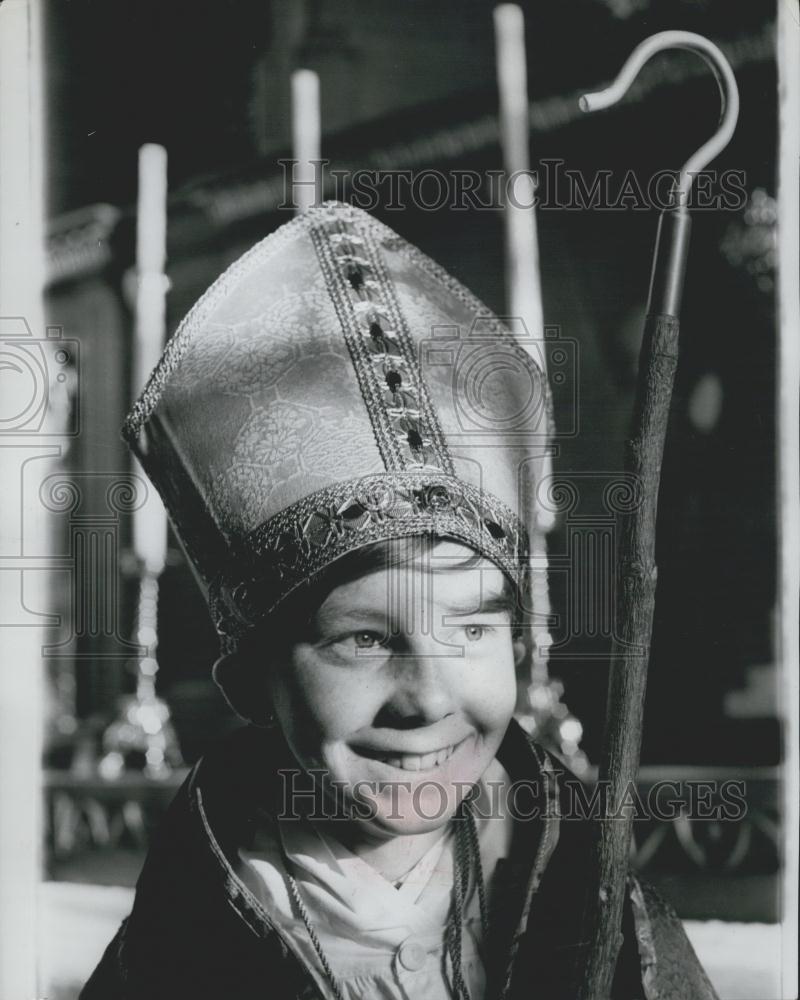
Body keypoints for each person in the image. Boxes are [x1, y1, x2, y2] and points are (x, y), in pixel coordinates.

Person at [82, 202, 717, 999]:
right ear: (251, 682)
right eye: (364, 641)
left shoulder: (602, 921)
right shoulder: (184, 950)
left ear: (519, 645)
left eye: (472, 625)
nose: (426, 698)